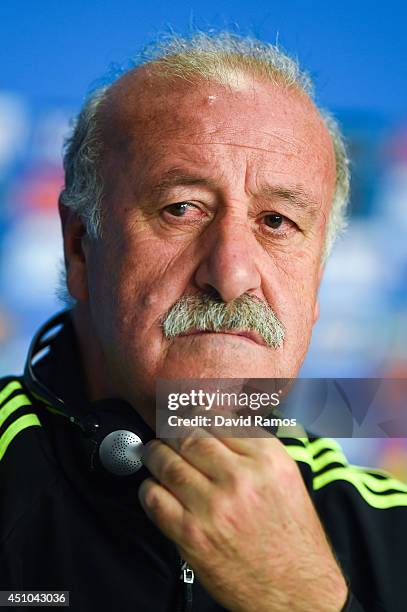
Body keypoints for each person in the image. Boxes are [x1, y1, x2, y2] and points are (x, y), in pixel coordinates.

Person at [1, 31, 406, 612]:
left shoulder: (394, 525)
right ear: (80, 246)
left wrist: (302, 598)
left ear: (317, 279)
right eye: (182, 208)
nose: (233, 273)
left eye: (277, 220)